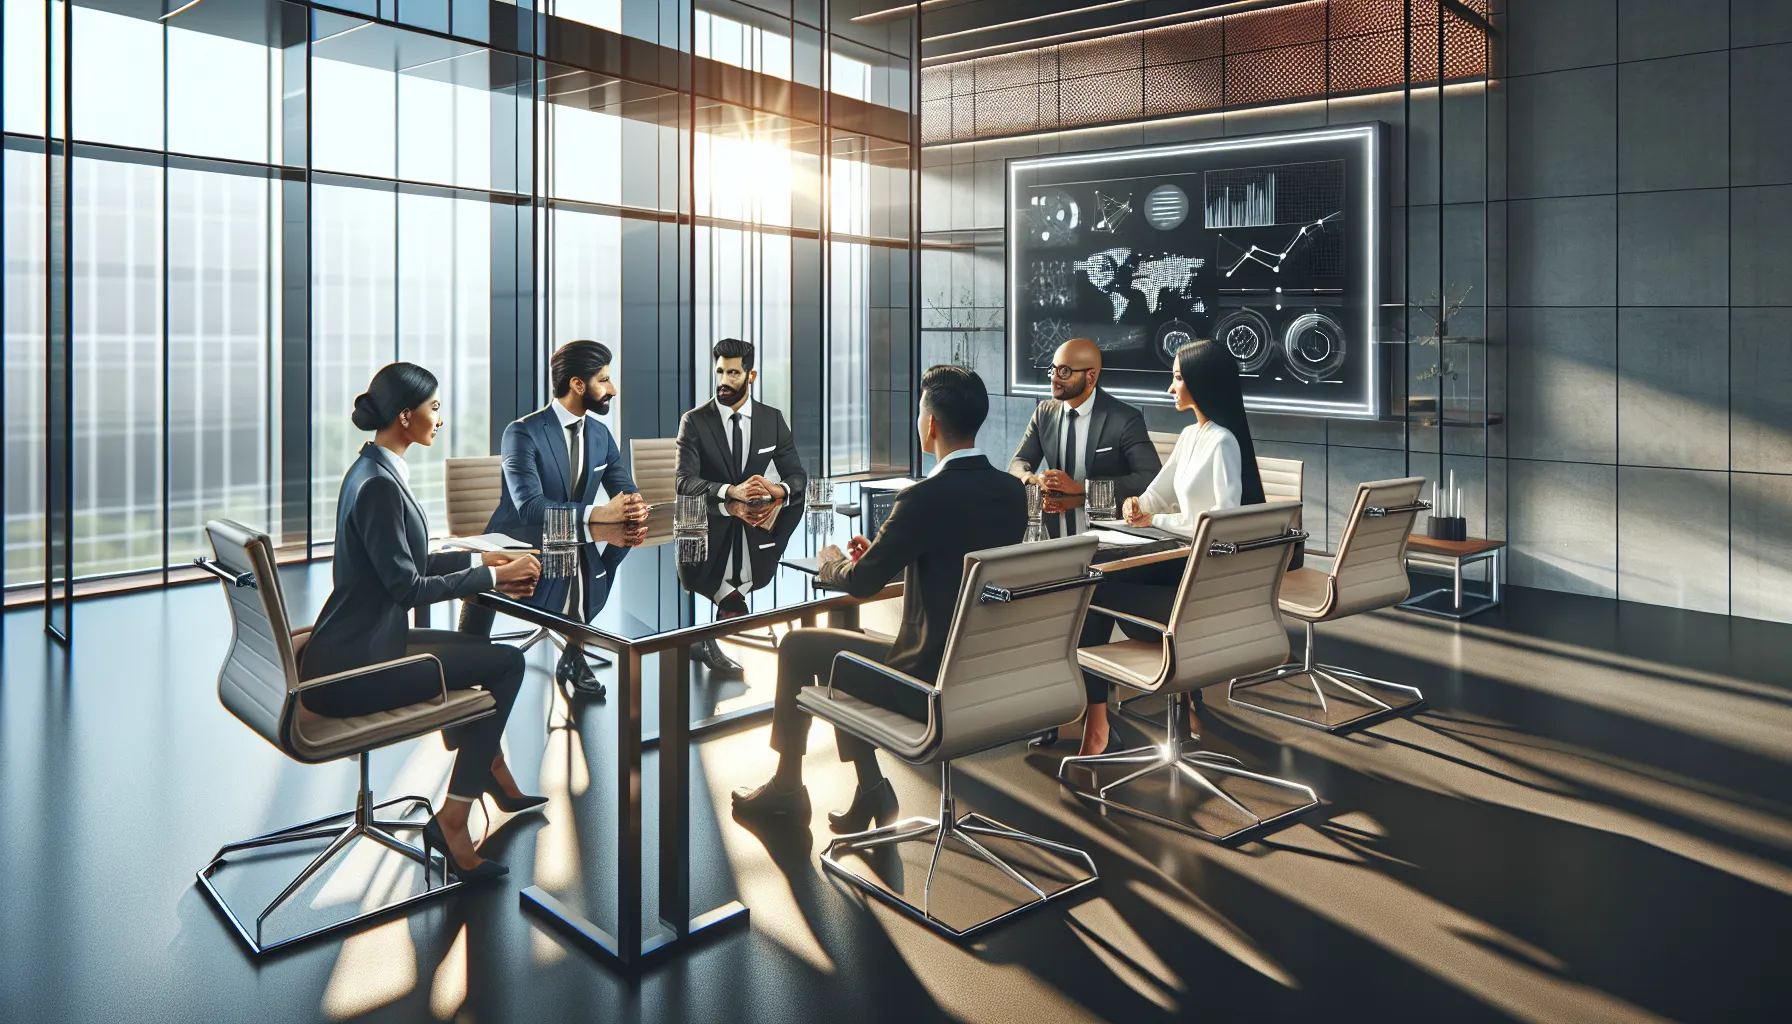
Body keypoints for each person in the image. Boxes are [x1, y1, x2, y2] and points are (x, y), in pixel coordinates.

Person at [731, 365, 1026, 832]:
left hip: (925, 683)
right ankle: (870, 787)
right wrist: (891, 555)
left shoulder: (923, 497)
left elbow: (863, 584)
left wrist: (832, 563)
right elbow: (960, 565)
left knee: (798, 647)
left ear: (930, 424)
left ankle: (790, 787)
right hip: (984, 674)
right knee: (838, 650)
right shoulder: (1011, 492)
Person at [301, 362, 545, 883]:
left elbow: (405, 565)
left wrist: (482, 564)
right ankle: (454, 820)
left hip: (357, 643)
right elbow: (408, 589)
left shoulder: (373, 469)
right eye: (434, 408)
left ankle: (488, 768)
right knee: (506, 663)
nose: (441, 418)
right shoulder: (380, 487)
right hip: (355, 669)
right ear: (406, 416)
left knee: (473, 651)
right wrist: (491, 579)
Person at [1071, 338, 1267, 756]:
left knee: (1093, 591)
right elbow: (1157, 494)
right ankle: (1178, 701)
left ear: (1201, 382)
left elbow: (1221, 525)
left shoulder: (1223, 443)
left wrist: (1154, 519)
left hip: (1202, 595)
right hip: (1187, 571)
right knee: (1101, 582)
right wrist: (1137, 504)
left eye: (1177, 378)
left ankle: (1097, 722)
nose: (1170, 387)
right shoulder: (1190, 435)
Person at [459, 340, 647, 698]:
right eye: (603, 380)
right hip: (521, 541)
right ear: (578, 385)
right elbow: (530, 507)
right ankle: (464, 668)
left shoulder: (600, 435)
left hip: (574, 541)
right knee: (490, 579)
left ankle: (574, 651)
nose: (612, 389)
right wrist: (598, 514)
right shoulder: (522, 432)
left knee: (614, 548)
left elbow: (625, 489)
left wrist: (632, 507)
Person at [674, 337, 809, 673]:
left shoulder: (772, 421)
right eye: (720, 371)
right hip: (706, 521)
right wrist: (729, 491)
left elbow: (798, 477)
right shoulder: (694, 421)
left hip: (754, 518)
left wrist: (776, 489)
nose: (724, 381)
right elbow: (683, 483)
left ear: (751, 376)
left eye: (733, 373)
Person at [1009, 336, 1161, 537]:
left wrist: (1083, 491)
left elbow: (1150, 478)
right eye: (1052, 370)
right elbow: (1018, 462)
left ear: (1091, 377)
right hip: (1054, 538)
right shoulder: (1044, 412)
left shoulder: (1125, 418)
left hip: (1106, 538)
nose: (1054, 378)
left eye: (1064, 371)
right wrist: (1032, 480)